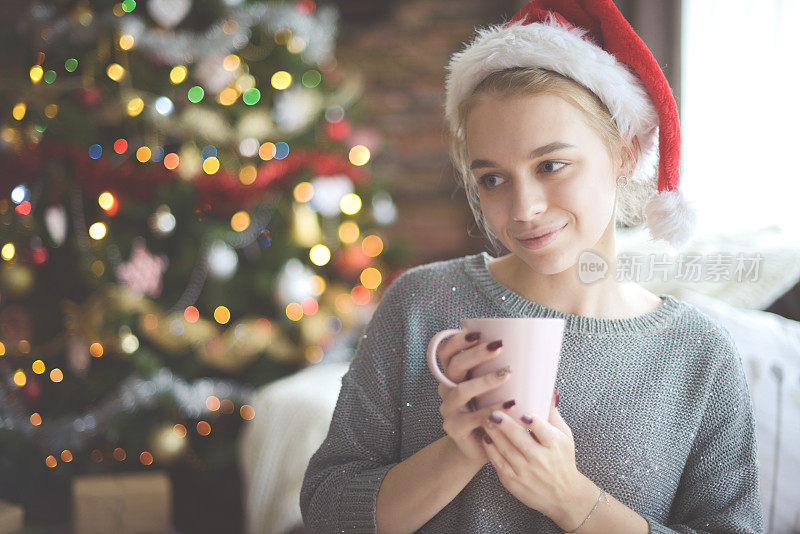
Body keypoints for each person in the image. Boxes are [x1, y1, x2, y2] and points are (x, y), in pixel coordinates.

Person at [299, 1, 765, 532]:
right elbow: (326, 511)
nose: (524, 210)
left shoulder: (699, 356)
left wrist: (572, 500)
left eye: (551, 165)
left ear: (626, 153)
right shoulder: (421, 303)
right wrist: (459, 452)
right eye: (493, 178)